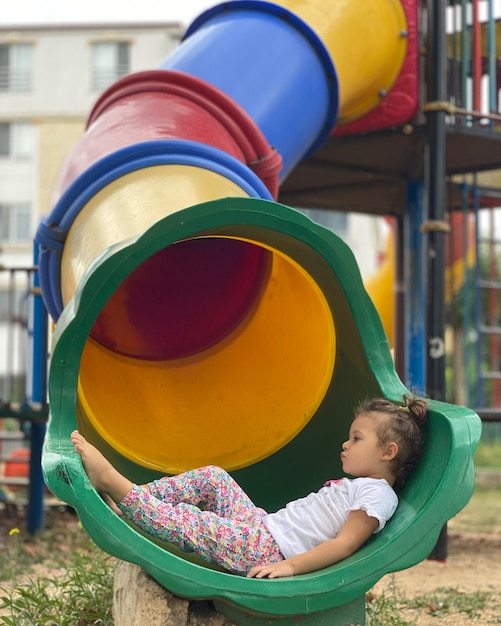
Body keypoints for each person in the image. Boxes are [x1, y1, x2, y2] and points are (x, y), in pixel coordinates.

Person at [71, 394, 427, 579]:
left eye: (356, 438)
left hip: (269, 552)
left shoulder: (377, 495)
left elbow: (345, 544)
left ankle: (117, 487)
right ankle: (137, 496)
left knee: (197, 525)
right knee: (214, 478)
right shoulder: (362, 484)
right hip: (262, 527)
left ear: (387, 451)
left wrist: (291, 567)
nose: (345, 444)